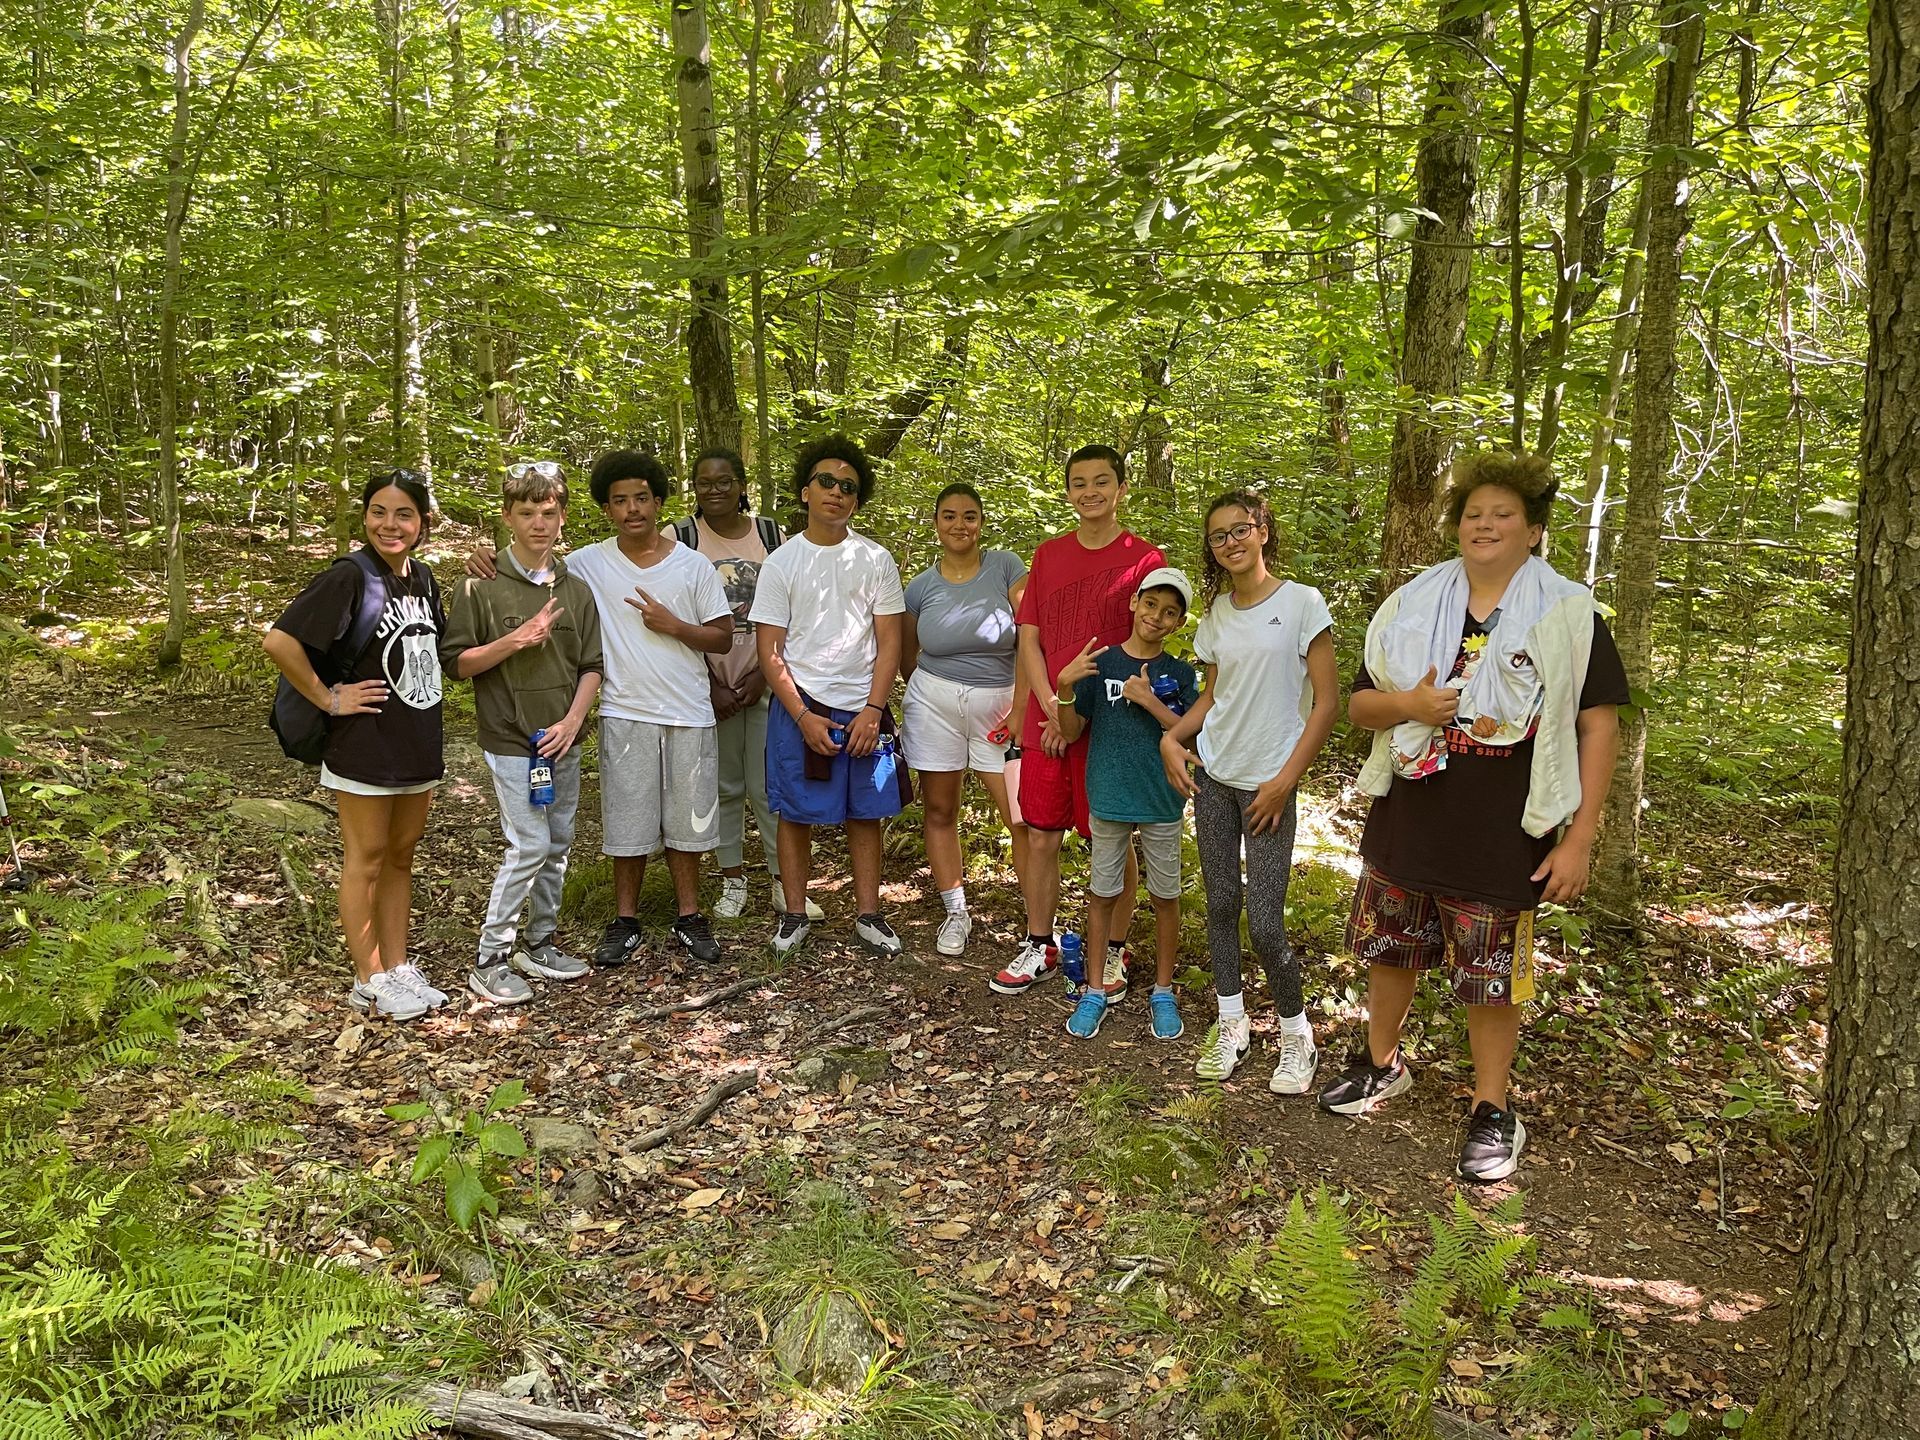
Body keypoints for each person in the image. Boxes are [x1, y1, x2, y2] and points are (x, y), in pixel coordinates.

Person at [1320, 451, 1626, 1183]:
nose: (1484, 525)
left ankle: (1493, 1109)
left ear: (1535, 530)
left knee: (1491, 972)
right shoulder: (1413, 604)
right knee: (1390, 947)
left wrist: (1580, 836)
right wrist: (1410, 707)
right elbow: (1362, 706)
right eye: (1473, 514)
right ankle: (1380, 1063)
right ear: (1456, 526)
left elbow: (1599, 726)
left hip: (1504, 825)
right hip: (1411, 807)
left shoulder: (1567, 612)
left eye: (1503, 514)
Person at [1160, 491, 1337, 1090]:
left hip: (1269, 785)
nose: (1230, 542)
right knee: (1218, 906)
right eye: (1218, 536)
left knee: (1263, 921)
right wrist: (1172, 740)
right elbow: (1214, 698)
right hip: (1214, 777)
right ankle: (1230, 1021)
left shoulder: (1303, 603)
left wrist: (1286, 781)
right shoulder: (1215, 616)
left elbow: (1328, 703)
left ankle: (1295, 1033)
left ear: (1263, 530)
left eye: (1240, 529)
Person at [263, 469, 448, 1021]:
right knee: (365, 859)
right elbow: (279, 641)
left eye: (404, 514)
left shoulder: (424, 579)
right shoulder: (351, 576)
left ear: (423, 523)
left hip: (416, 740)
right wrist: (327, 698)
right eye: (378, 512)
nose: (389, 525)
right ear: (365, 516)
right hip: (364, 744)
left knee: (400, 858)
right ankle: (367, 977)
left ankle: (397, 967)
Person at [990, 444, 1164, 998]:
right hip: (1050, 720)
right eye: (1079, 483)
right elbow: (1032, 637)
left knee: (1110, 836)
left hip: (1114, 724)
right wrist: (1048, 704)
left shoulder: (1145, 560)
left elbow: (1150, 643)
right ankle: (1039, 941)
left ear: (1121, 489)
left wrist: (1084, 716)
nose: (1090, 492)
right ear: (1067, 491)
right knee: (1040, 831)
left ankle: (1113, 949)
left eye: (1102, 482)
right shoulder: (1049, 555)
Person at [441, 460, 604, 1005]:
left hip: (564, 737)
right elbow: (458, 664)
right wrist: (515, 640)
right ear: (507, 516)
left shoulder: (576, 589)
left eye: (549, 512)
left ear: (562, 518)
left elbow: (591, 666)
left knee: (557, 844)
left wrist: (573, 721)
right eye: (528, 512)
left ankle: (539, 941)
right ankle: (490, 957)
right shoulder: (479, 586)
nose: (539, 522)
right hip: (512, 740)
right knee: (528, 843)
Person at [566, 451, 734, 968]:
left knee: (688, 822)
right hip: (624, 709)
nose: (633, 509)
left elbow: (723, 638)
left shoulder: (693, 564)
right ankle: (625, 920)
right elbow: (531, 572)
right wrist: (483, 559)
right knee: (628, 820)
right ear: (607, 509)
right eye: (620, 501)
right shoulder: (586, 563)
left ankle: (689, 916)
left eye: (641, 497)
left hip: (688, 711)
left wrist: (674, 625)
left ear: (659, 501)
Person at [749, 434, 908, 957]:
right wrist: (801, 717)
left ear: (856, 501)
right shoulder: (782, 563)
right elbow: (770, 651)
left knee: (866, 811)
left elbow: (890, 643)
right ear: (804, 492)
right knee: (794, 811)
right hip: (803, 705)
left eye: (848, 487)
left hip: (864, 705)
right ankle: (795, 914)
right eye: (826, 482)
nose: (836, 492)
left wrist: (874, 709)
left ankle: (869, 915)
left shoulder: (876, 559)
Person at [671, 447, 823, 924]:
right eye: (703, 482)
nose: (714, 490)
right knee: (724, 787)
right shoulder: (681, 537)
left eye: (723, 481)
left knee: (767, 784)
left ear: (740, 485)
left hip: (769, 679)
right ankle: (732, 878)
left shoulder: (773, 535)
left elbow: (795, 606)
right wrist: (713, 680)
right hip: (705, 683)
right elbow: (669, 606)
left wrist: (764, 672)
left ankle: (784, 883)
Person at [1052, 567, 1199, 1041]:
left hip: (1161, 799)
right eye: (1151, 604)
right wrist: (1065, 688)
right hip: (1109, 797)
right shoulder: (1102, 661)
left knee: (1165, 896)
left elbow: (1190, 730)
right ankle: (1095, 990)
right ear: (1134, 603)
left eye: (1170, 612)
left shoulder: (1179, 673)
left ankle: (1162, 990)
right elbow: (1072, 731)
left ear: (1178, 623)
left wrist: (1149, 699)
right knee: (1102, 894)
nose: (1157, 617)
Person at [901, 483, 1029, 957]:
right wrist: (926, 691)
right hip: (933, 702)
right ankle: (956, 911)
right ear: (936, 522)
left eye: (969, 516)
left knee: (1021, 816)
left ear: (981, 522)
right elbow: (907, 653)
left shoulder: (1005, 567)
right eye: (950, 515)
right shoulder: (920, 586)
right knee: (939, 810)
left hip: (1000, 706)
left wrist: (1021, 708)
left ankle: (1038, 924)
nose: (960, 525)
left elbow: (1030, 632)